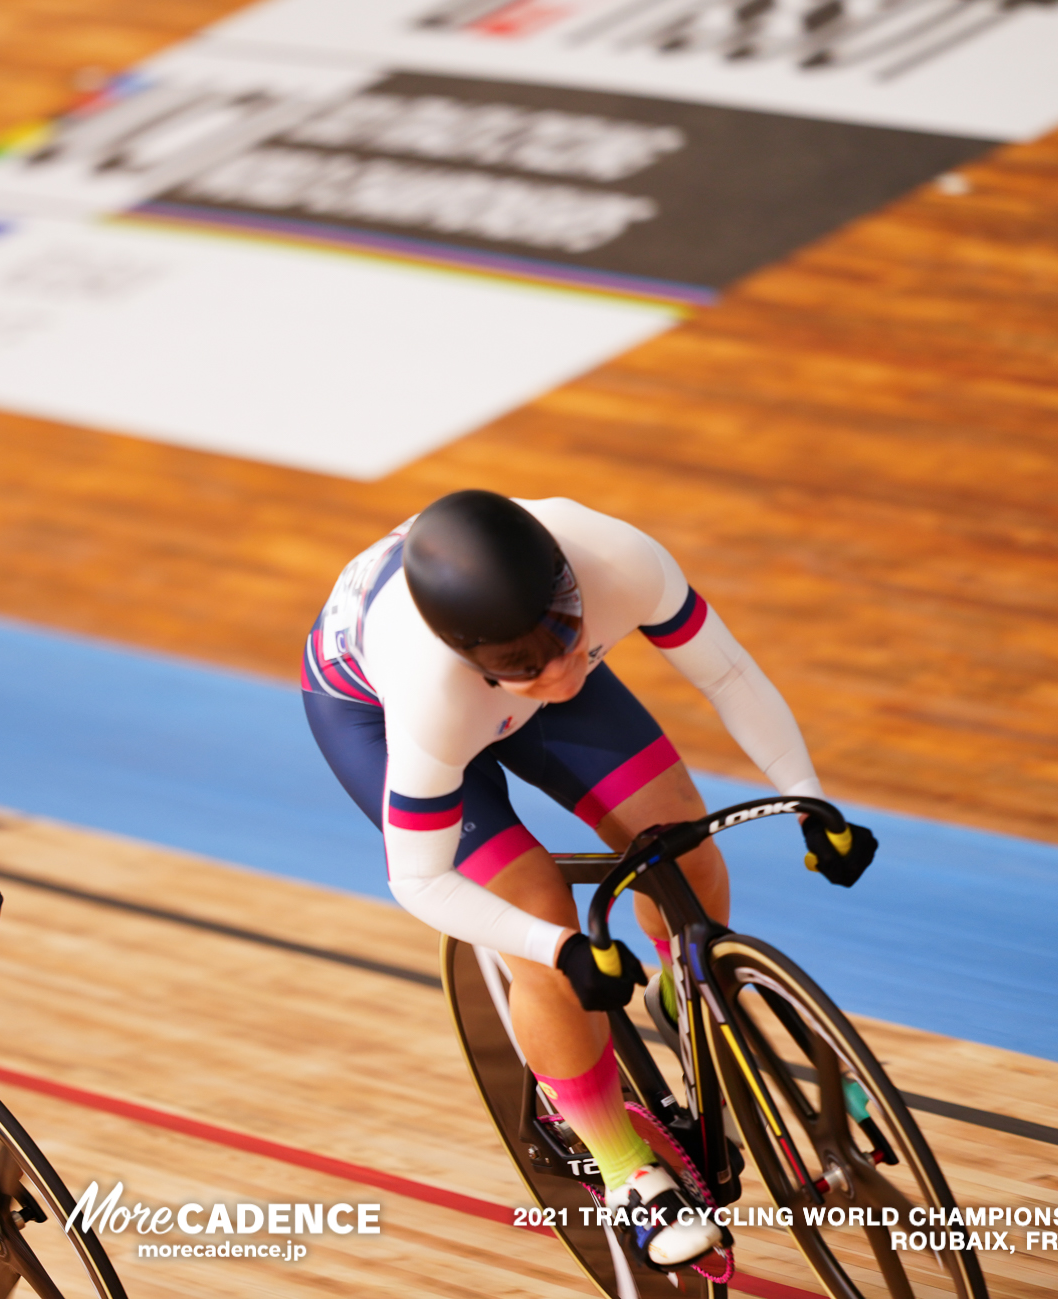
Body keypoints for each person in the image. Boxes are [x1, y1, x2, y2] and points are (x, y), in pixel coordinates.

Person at [301, 490, 875, 1272]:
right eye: (529, 665)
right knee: (535, 911)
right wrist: (560, 948)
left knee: (679, 836)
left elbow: (730, 675)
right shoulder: (430, 695)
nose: (565, 672)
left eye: (571, 639)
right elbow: (419, 880)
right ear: (480, 660)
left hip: (496, 675)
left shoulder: (616, 560)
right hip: (371, 710)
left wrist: (810, 797)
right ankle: (623, 1168)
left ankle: (686, 999)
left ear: (569, 589)